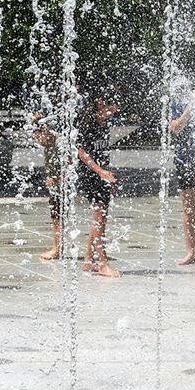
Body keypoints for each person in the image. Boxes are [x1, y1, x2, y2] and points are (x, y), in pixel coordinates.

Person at [76, 90, 120, 277]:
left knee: (101, 218)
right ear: (101, 106)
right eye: (111, 107)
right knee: (99, 219)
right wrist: (100, 172)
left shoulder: (104, 124)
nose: (114, 110)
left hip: (101, 175)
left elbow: (102, 153)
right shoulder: (88, 125)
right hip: (90, 175)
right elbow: (81, 152)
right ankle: (103, 263)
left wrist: (107, 175)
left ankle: (88, 260)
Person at [169, 91, 195, 265]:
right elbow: (175, 127)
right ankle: (190, 251)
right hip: (184, 160)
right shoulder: (176, 103)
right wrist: (190, 109)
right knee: (189, 208)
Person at [32, 115, 63, 261]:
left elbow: (72, 164)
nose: (39, 142)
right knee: (56, 216)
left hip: (63, 185)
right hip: (56, 185)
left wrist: (58, 179)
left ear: (46, 131)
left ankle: (57, 249)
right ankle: (57, 247)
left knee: (58, 216)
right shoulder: (49, 141)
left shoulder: (59, 142)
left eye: (39, 138)